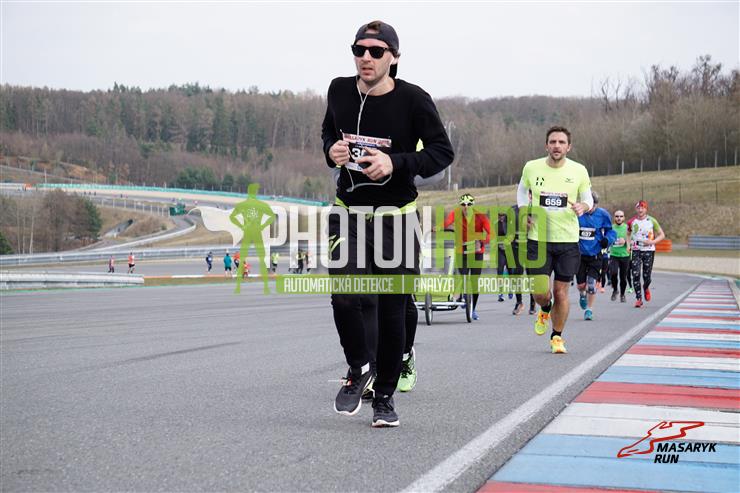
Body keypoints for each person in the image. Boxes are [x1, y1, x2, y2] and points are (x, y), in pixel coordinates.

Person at [322, 20, 453, 427]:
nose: (366, 57)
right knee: (346, 295)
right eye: (359, 50)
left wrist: (395, 163)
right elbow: (328, 132)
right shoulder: (338, 90)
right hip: (348, 214)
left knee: (392, 308)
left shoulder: (414, 100)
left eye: (376, 52)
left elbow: (441, 152)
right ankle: (359, 367)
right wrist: (332, 151)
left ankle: (384, 398)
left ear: (393, 58)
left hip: (396, 219)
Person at [517, 126, 593, 354]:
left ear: (568, 147)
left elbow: (588, 198)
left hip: (567, 241)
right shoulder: (531, 167)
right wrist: (523, 211)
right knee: (540, 292)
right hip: (538, 239)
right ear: (546, 145)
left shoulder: (579, 170)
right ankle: (545, 308)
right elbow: (521, 192)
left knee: (561, 292)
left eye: (561, 142)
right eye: (553, 142)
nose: (557, 146)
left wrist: (583, 206)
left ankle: (557, 337)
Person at [441, 193, 490, 320]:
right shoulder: (456, 213)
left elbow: (491, 233)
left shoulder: (480, 216)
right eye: (463, 204)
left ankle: (473, 309)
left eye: (469, 204)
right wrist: (436, 228)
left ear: (473, 205)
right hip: (462, 251)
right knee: (462, 277)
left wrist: (482, 242)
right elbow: (447, 222)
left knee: (474, 281)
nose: (466, 207)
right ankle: (463, 297)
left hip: (476, 252)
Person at [576, 191, 616, 320]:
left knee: (591, 285)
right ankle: (582, 294)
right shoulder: (577, 214)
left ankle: (589, 310)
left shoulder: (603, 214)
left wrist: (607, 240)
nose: (589, 208)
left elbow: (611, 232)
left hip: (595, 255)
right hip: (580, 255)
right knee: (581, 285)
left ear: (596, 204)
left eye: (592, 205)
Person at [627, 200, 665, 308]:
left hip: (649, 250)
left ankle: (646, 287)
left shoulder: (652, 221)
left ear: (646, 209)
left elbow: (662, 235)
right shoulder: (631, 221)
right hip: (636, 250)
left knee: (646, 276)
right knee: (635, 274)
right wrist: (628, 245)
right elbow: (628, 234)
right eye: (638, 208)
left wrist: (652, 242)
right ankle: (638, 299)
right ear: (636, 209)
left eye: (642, 208)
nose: (640, 210)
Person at [608, 210, 631, 302]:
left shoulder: (627, 228)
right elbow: (606, 239)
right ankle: (615, 290)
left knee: (623, 277)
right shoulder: (611, 228)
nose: (619, 218)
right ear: (614, 218)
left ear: (624, 218)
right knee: (613, 273)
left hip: (625, 255)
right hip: (614, 255)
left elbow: (633, 240)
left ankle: (622, 294)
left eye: (621, 216)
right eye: (617, 216)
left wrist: (625, 241)